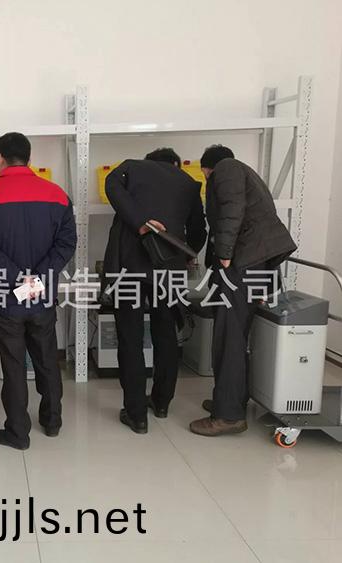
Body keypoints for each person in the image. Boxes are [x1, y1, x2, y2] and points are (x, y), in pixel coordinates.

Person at [0, 132, 77, 450]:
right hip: (42, 295)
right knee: (47, 359)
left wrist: (18, 278)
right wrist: (38, 279)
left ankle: (18, 433)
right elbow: (67, 244)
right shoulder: (57, 195)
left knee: (13, 365)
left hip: (6, 297)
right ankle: (52, 421)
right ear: (30, 159)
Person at [190, 145, 296, 437]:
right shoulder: (249, 175)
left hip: (241, 265)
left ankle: (228, 416)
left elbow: (231, 209)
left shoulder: (227, 168)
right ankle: (233, 400)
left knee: (229, 337)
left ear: (207, 168)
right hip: (256, 264)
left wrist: (224, 254)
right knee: (237, 336)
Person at [103, 148, 207, 434]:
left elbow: (110, 184)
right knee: (166, 336)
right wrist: (185, 253)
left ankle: (136, 414)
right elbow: (199, 231)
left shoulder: (131, 167)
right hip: (169, 269)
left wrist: (140, 223)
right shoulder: (188, 183)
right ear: (175, 164)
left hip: (129, 268)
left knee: (130, 338)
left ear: (149, 161)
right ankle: (161, 403)